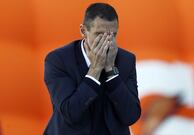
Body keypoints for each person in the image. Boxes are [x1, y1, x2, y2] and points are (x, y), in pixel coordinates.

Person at [43, 3, 141, 135]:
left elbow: (131, 115)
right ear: (83, 31)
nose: (106, 42)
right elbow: (71, 113)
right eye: (99, 34)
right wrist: (95, 69)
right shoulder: (58, 60)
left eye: (112, 35)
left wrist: (111, 71)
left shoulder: (126, 60)